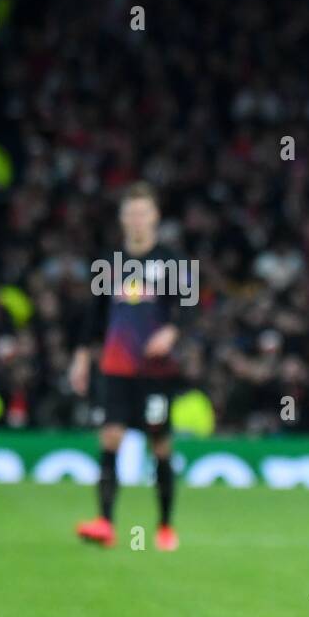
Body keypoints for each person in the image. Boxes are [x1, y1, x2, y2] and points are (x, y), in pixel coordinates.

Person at [70, 182, 187, 551]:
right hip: (116, 365)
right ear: (123, 218)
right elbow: (95, 315)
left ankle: (165, 526)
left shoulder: (172, 261)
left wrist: (172, 331)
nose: (137, 220)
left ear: (155, 217)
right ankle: (105, 522)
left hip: (155, 370)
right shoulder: (109, 262)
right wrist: (81, 357)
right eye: (131, 213)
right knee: (111, 435)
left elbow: (191, 310)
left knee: (160, 444)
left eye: (143, 213)